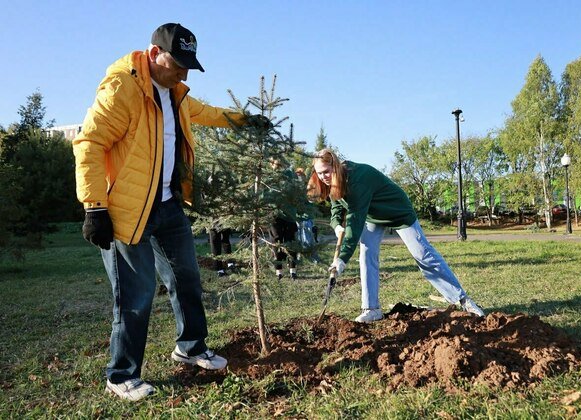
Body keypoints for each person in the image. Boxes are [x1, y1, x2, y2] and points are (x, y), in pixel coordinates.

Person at [73, 23, 268, 401]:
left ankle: (191, 347)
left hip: (168, 206)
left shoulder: (175, 93)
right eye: (177, 62)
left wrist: (245, 120)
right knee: (137, 292)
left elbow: (207, 112)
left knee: (187, 279)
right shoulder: (122, 89)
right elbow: (89, 144)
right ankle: (121, 373)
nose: (183, 71)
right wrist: (94, 207)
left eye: (188, 64)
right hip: (126, 211)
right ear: (153, 52)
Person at [308, 149, 485, 323]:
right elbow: (337, 206)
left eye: (326, 172)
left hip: (397, 212)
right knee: (366, 254)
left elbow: (355, 222)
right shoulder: (330, 181)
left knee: (423, 255)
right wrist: (337, 225)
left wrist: (342, 259)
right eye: (319, 173)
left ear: (335, 166)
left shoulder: (358, 180)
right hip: (372, 215)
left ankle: (463, 300)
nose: (323, 177)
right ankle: (371, 309)